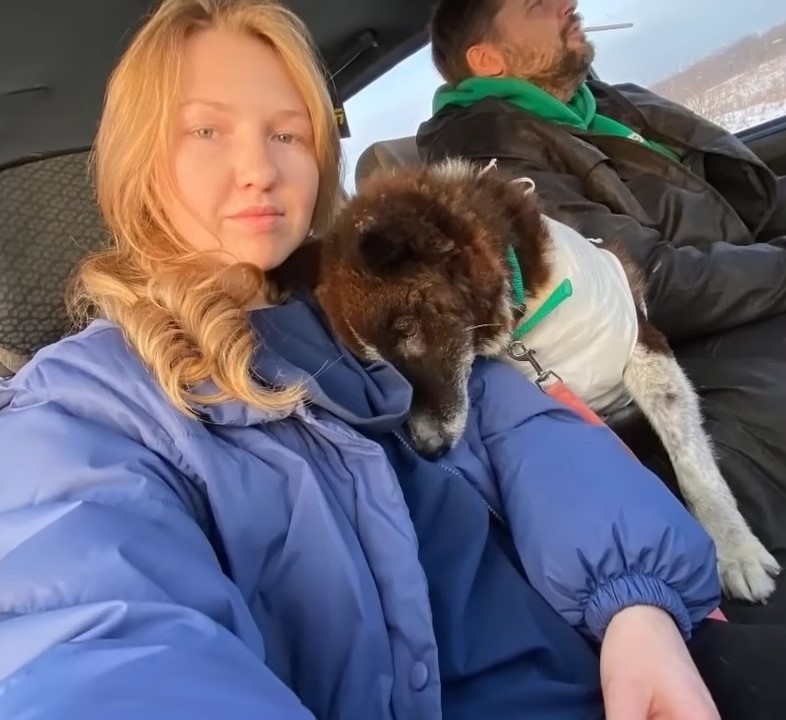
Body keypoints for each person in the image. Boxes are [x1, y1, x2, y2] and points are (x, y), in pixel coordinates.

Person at [0, 1, 781, 718]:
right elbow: (98, 639)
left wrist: (633, 605)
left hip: (607, 660)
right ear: (142, 157)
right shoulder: (79, 411)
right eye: (206, 130)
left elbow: (529, 434)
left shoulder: (366, 299)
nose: (260, 168)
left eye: (288, 132)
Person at [416, 0, 786, 624]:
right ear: (488, 59)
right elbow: (651, 285)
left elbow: (737, 200)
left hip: (742, 287)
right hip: (686, 337)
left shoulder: (599, 104)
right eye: (537, 5)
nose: (568, 4)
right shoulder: (492, 152)